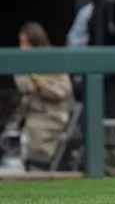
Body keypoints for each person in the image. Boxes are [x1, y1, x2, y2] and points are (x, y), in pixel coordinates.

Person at [10, 22, 73, 171]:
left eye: (25, 43)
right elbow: (23, 85)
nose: (22, 47)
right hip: (26, 112)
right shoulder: (20, 61)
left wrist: (40, 84)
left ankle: (37, 166)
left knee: (34, 131)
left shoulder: (53, 59)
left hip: (52, 115)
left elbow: (62, 91)